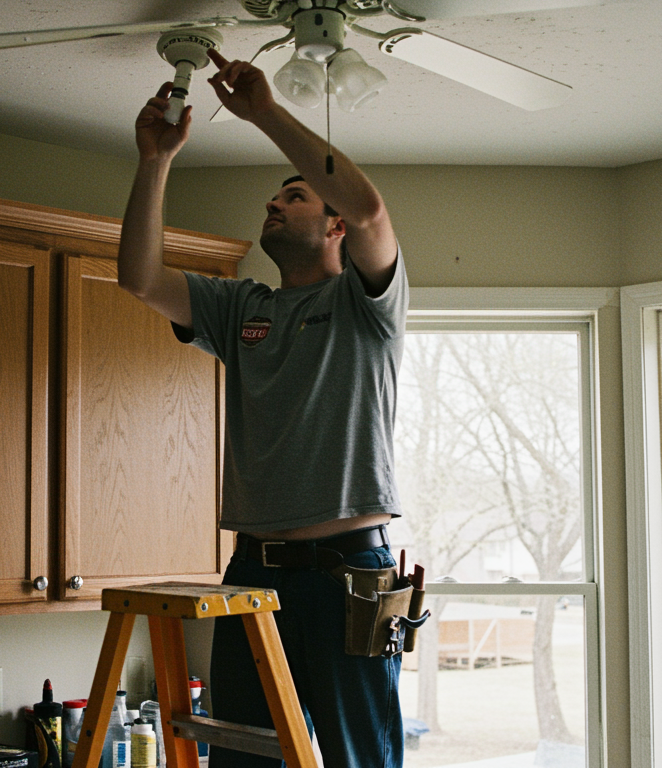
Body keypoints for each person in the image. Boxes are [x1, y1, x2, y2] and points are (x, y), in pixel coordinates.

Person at [117, 48, 408, 768]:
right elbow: (140, 277)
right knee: (247, 759)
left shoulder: (366, 305)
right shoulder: (240, 307)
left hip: (349, 577)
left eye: (295, 196)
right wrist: (156, 159)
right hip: (254, 574)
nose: (274, 204)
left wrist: (265, 112)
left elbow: (371, 207)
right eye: (274, 199)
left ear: (334, 224)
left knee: (356, 759)